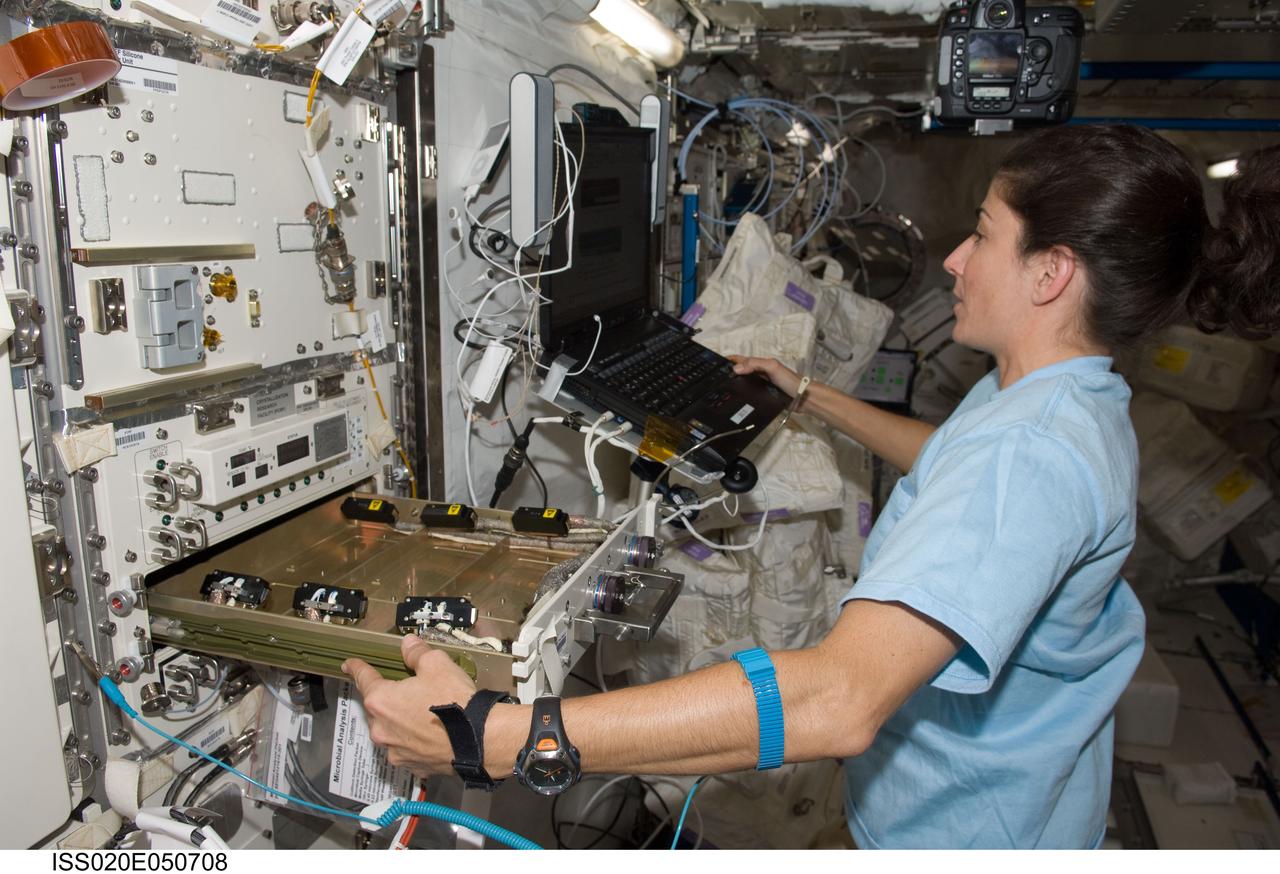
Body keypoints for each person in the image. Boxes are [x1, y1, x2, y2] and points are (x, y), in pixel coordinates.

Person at [341, 125, 1280, 848]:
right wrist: (810, 395)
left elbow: (837, 701)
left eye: (984, 237)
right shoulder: (1061, 397)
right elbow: (955, 457)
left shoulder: (1031, 455)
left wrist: (497, 736)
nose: (954, 258)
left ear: (1053, 272)